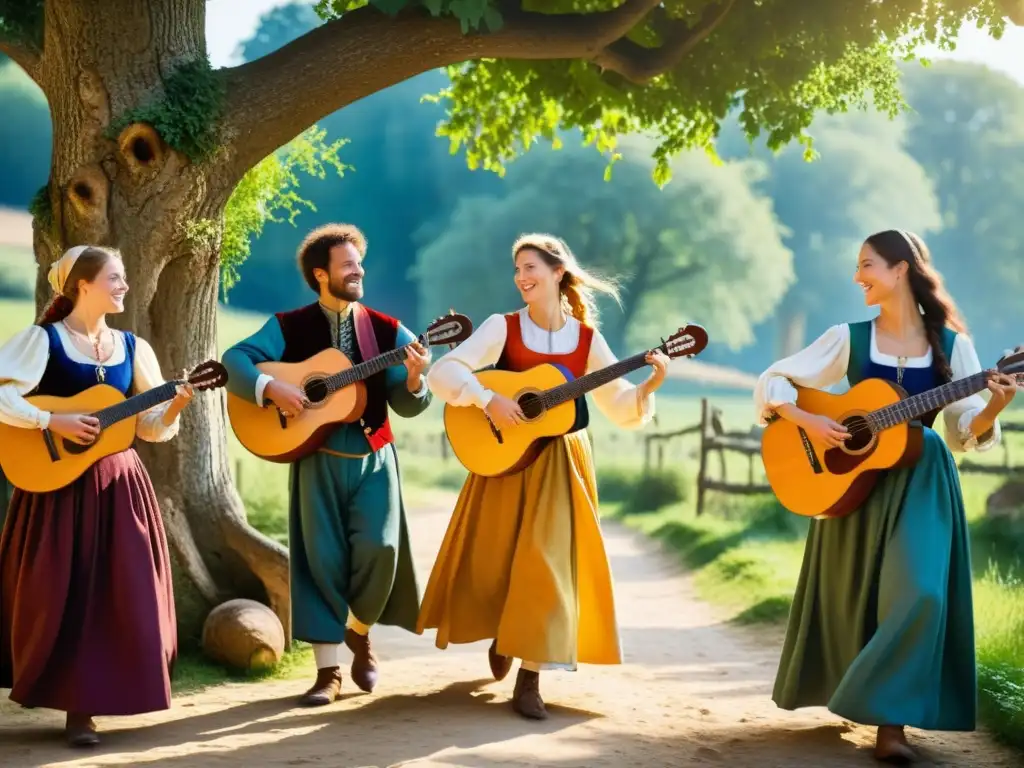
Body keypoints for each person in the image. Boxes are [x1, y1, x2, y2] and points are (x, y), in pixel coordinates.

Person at [755, 230, 1018, 762]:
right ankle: (876, 713)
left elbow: (963, 432)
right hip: (853, 484)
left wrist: (992, 407)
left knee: (921, 592)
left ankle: (889, 721)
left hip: (923, 480)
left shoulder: (952, 345)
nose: (858, 277)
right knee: (858, 596)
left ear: (900, 270)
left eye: (867, 265)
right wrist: (807, 417)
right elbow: (774, 380)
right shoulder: (846, 337)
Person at [417, 233, 669, 720]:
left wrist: (651, 384)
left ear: (558, 272)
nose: (521, 278)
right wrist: (489, 398)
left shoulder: (589, 341)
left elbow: (618, 404)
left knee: (547, 566)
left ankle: (530, 678)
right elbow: (443, 373)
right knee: (497, 560)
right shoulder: (501, 327)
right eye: (517, 270)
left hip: (561, 463)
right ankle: (503, 632)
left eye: (530, 267)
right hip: (504, 461)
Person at [221, 223, 432, 705]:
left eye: (359, 263)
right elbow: (236, 359)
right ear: (321, 274)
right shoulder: (288, 326)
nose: (358, 270)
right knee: (321, 563)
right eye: (347, 265)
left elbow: (406, 402)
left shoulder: (388, 330)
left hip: (374, 458)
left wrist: (417, 379)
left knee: (382, 550)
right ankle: (327, 673)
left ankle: (359, 630)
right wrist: (271, 387)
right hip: (315, 460)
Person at [0, 245, 193, 747]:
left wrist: (173, 408)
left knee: (121, 591)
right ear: (83, 284)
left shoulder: (134, 348)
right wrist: (51, 420)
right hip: (57, 487)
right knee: (63, 591)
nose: (124, 285)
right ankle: (73, 706)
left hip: (118, 486)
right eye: (115, 277)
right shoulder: (42, 342)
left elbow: (147, 427)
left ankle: (103, 697)